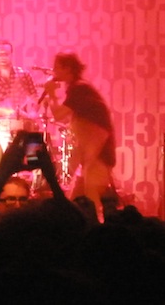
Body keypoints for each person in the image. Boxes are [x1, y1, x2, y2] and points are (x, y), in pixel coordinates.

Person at [43, 52, 116, 214]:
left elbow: (59, 115)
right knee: (76, 197)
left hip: (98, 155)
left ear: (67, 68)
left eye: (56, 68)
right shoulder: (79, 88)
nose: (53, 71)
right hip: (92, 154)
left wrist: (51, 94)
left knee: (93, 200)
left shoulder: (79, 88)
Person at [0, 39, 39, 138]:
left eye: (6, 54)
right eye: (0, 55)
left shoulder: (23, 74)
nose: (4, 58)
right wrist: (5, 112)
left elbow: (35, 98)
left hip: (22, 125)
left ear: (11, 55)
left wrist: (33, 112)